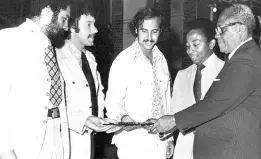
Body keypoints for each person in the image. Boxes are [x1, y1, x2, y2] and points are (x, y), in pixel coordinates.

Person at [151, 3, 261, 159]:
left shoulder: (245, 60)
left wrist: (175, 120)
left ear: (240, 29)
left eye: (221, 29)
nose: (217, 36)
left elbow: (216, 102)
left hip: (234, 151)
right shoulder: (242, 57)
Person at [0, 1, 71, 159]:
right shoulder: (9, 39)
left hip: (56, 141)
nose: (66, 27)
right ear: (47, 12)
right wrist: (5, 150)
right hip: (24, 147)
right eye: (64, 19)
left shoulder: (52, 47)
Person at [105, 8, 173, 159]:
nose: (149, 37)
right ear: (136, 29)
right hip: (133, 143)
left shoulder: (161, 60)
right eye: (144, 31)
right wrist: (125, 120)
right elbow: (112, 103)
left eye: (154, 31)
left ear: (160, 31)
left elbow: (167, 101)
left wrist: (169, 138)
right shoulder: (124, 61)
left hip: (159, 141)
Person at [56, 5, 116, 159]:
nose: (95, 30)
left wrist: (101, 119)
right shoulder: (57, 57)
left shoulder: (90, 58)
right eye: (89, 25)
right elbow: (55, 106)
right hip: (68, 143)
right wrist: (83, 120)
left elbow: (98, 93)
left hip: (92, 141)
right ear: (71, 27)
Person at [170, 18, 225, 159]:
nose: (190, 51)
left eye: (196, 45)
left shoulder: (227, 71)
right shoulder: (182, 75)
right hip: (185, 150)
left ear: (212, 43)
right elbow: (175, 114)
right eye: (187, 46)